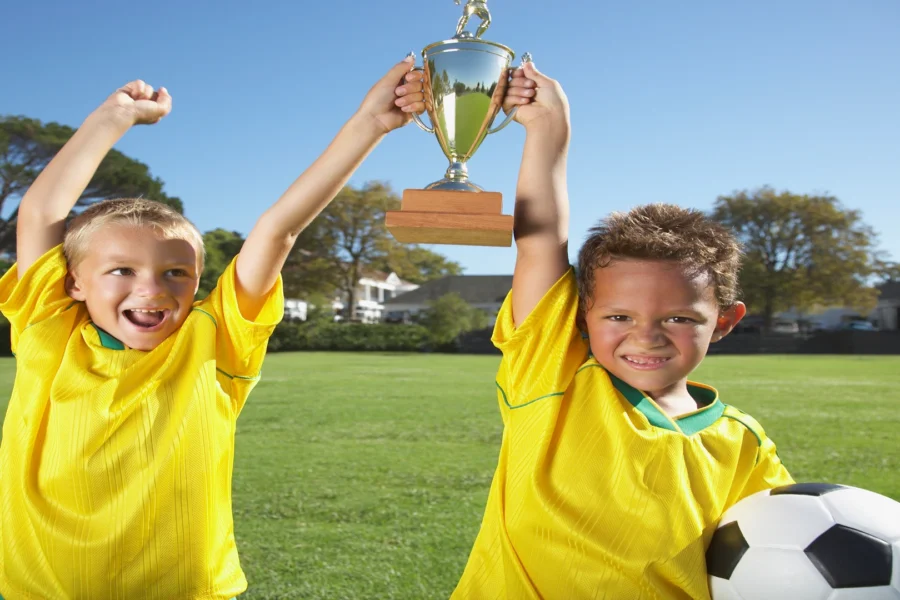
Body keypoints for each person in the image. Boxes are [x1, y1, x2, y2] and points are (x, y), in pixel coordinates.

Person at [0, 58, 437, 599]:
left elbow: (278, 229)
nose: (152, 289)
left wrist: (368, 124)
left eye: (175, 273)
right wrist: (115, 117)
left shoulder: (216, 341)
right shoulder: (48, 333)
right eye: (121, 271)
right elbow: (40, 209)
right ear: (74, 284)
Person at [452, 62, 794, 599]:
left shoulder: (743, 444)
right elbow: (540, 240)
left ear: (725, 322)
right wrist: (548, 131)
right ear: (580, 315)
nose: (647, 336)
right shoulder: (554, 376)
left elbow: (786, 552)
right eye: (619, 317)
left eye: (679, 318)